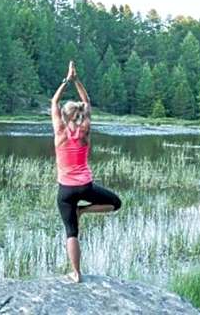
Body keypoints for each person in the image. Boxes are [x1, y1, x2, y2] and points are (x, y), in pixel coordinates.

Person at [51, 60, 122, 283]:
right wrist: (77, 79)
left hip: (66, 191)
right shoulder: (84, 132)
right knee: (116, 203)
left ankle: (76, 273)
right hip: (85, 186)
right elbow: (87, 102)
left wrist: (66, 80)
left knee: (71, 233)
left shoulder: (60, 132)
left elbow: (54, 101)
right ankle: (85, 211)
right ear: (79, 116)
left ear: (64, 116)